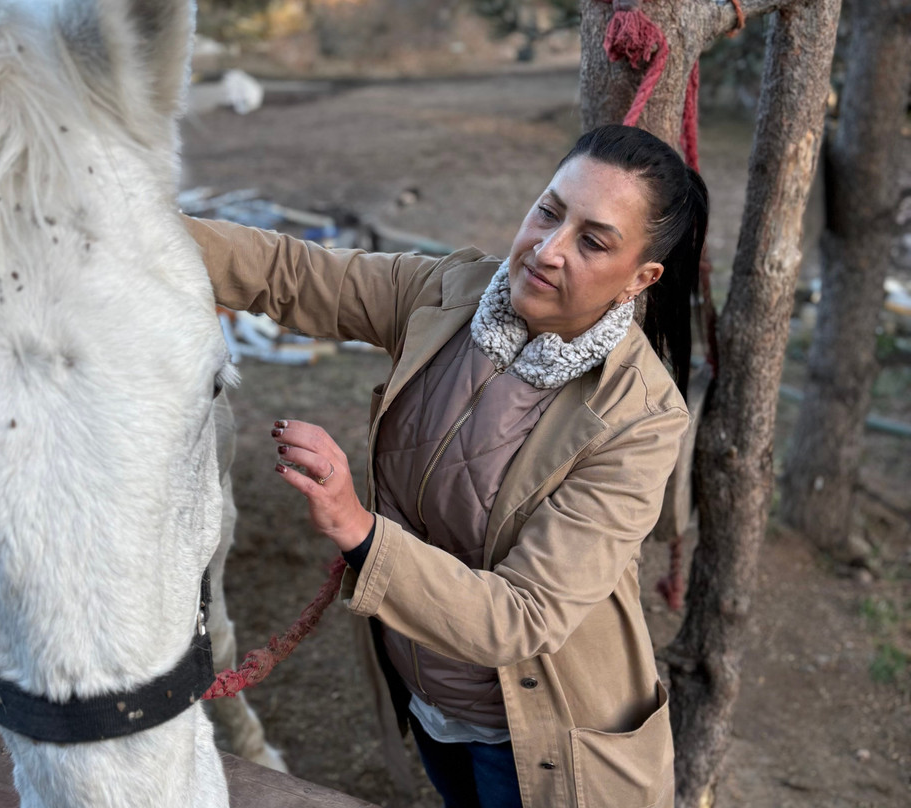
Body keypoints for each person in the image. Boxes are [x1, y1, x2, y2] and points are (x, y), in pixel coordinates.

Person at [185, 124, 708, 808]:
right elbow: (293, 274)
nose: (548, 250)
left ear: (641, 278)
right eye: (549, 211)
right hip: (431, 703)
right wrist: (124, 224)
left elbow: (524, 615)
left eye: (593, 241)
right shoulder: (451, 295)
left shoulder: (638, 419)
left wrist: (358, 528)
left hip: (545, 746)